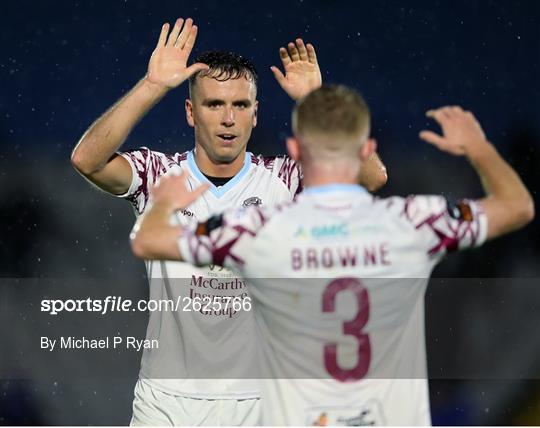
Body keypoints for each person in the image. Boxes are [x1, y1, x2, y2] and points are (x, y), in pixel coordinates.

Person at [130, 84, 534, 425]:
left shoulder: (258, 229)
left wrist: (165, 203)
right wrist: (478, 148)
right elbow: (517, 207)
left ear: (294, 149)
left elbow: (149, 243)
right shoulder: (414, 222)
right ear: (367, 150)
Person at [71, 18, 388, 425]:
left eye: (240, 106)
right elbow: (86, 160)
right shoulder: (158, 177)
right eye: (214, 104)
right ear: (190, 112)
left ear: (255, 114)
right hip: (165, 403)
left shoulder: (287, 180)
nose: (228, 119)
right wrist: (153, 85)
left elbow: (372, 176)